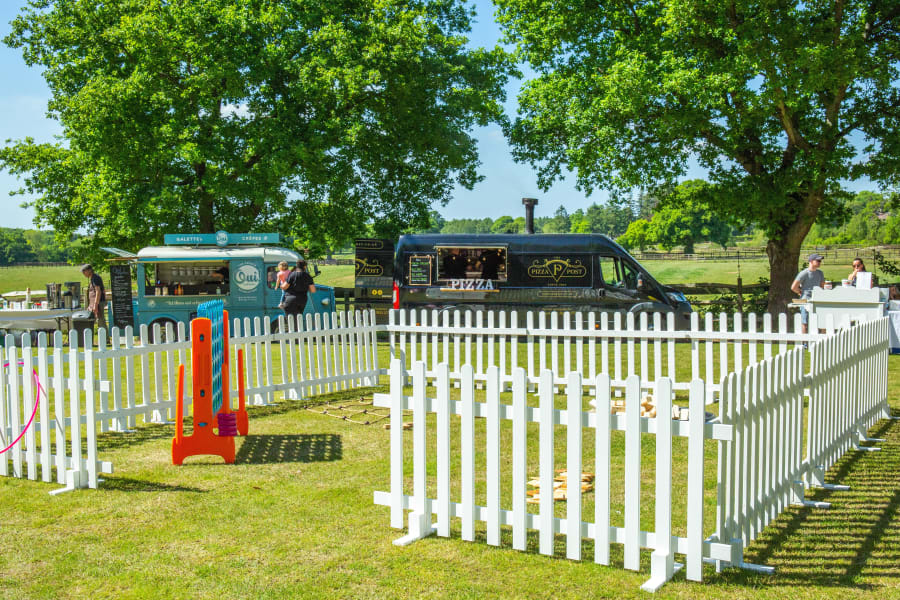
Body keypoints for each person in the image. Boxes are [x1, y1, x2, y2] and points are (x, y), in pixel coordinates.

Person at [791, 253, 825, 334]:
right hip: (805, 300)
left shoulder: (820, 273)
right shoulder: (804, 273)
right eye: (818, 261)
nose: (819, 262)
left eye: (820, 261)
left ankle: (821, 339)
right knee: (805, 322)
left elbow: (822, 286)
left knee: (821, 321)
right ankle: (804, 341)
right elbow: (793, 287)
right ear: (811, 261)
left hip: (817, 300)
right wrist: (800, 292)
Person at [80, 264, 107, 333]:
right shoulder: (93, 278)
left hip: (98, 303)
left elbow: (98, 291)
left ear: (89, 270)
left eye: (84, 271)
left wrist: (95, 305)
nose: (83, 273)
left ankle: (105, 337)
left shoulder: (95, 278)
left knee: (100, 321)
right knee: (92, 319)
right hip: (94, 303)